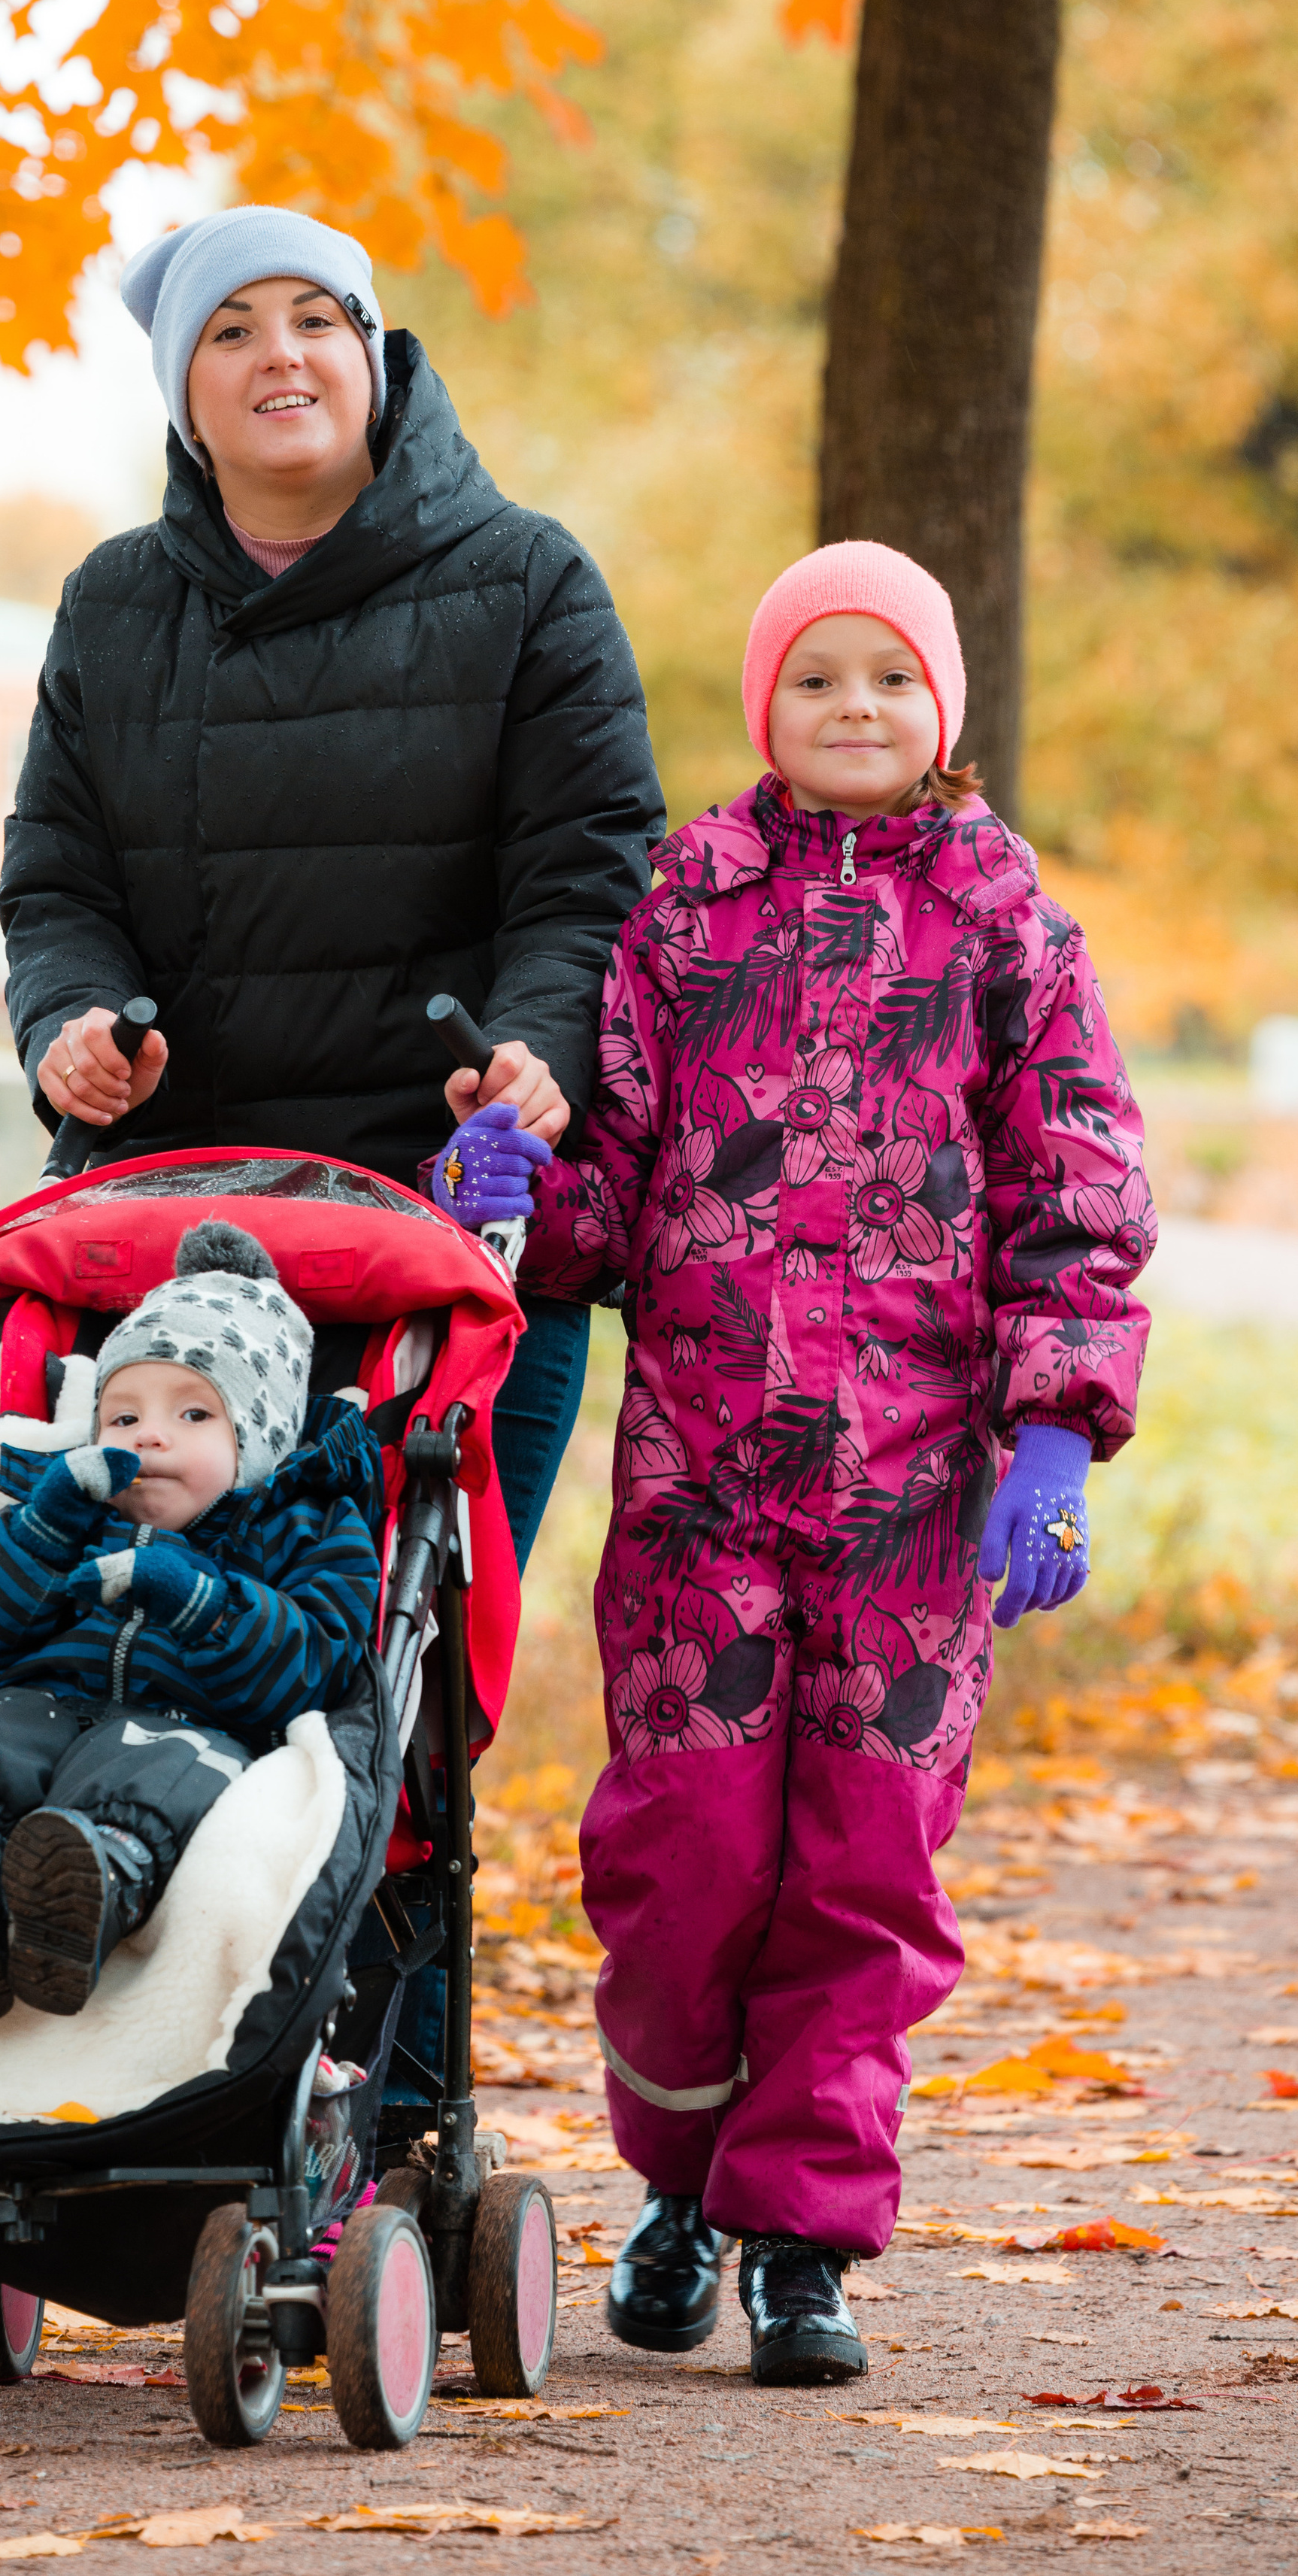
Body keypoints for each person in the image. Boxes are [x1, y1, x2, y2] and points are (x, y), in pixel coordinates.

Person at [508, 540, 1154, 2386]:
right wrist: (515, 1193)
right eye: (815, 676)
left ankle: (800, 2234)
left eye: (888, 676)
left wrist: (1049, 1425)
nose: (852, 705)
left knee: (864, 1860)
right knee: (684, 1847)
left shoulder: (1003, 918)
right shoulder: (681, 902)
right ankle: (677, 2182)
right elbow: (605, 1194)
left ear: (937, 709)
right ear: (763, 707)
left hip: (917, 1491)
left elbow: (1077, 1185)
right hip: (699, 1481)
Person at [0, 203, 665, 1573]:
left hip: (453, 1218)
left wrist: (538, 1052)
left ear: (373, 352)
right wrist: (68, 1026)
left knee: (397, 1681)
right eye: (230, 333)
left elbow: (588, 873)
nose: (279, 356)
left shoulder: (529, 585)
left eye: (315, 319)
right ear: (185, 396)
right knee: (129, 1626)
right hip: (176, 1222)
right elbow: (57, 881)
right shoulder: (114, 606)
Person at [0, 1221, 381, 2028]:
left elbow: (313, 1669)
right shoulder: (63, 1507)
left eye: (193, 1414)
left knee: (158, 1767)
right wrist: (43, 1526)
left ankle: (86, 1891)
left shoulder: (303, 1529)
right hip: (36, 1703)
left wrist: (196, 1596)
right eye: (123, 1415)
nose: (149, 1435)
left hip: (193, 1723)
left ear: (261, 1443)